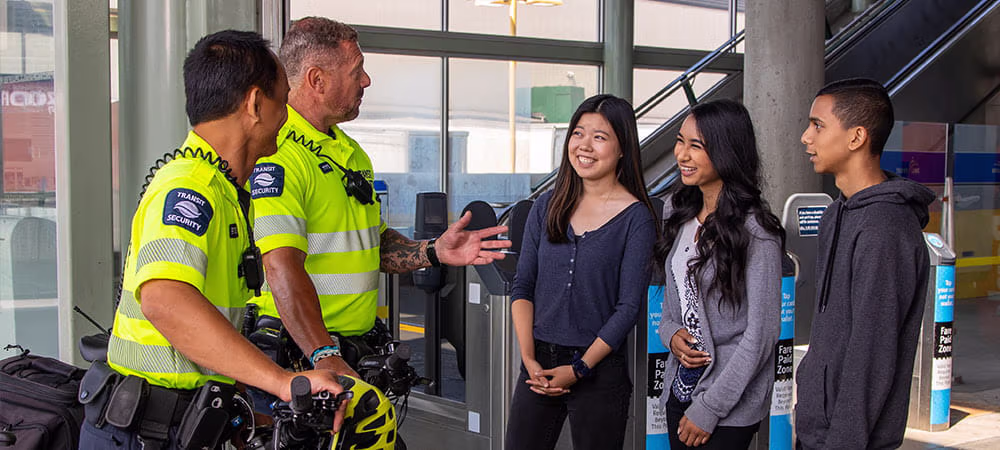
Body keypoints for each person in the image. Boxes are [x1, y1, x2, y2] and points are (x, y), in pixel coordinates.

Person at [79, 30, 346, 449]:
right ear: (256, 104)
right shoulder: (190, 188)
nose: (288, 114)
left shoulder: (223, 189)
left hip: (184, 421)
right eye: (283, 99)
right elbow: (165, 300)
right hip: (144, 432)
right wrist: (280, 381)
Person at [247, 16, 509, 384]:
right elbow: (281, 267)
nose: (366, 81)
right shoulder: (279, 154)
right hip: (305, 357)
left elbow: (372, 241)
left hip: (349, 350)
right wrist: (324, 356)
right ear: (317, 80)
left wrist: (433, 250)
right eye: (357, 71)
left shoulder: (349, 152)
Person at [504, 94, 658, 450]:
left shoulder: (637, 218)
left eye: (600, 137)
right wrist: (529, 359)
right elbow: (523, 285)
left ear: (623, 148)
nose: (584, 146)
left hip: (599, 371)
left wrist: (579, 369)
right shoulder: (547, 205)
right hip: (538, 364)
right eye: (578, 133)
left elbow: (628, 307)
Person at [795, 78, 934, 449]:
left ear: (856, 137)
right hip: (818, 430)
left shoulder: (885, 228)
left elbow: (872, 352)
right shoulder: (837, 214)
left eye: (817, 125)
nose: (806, 137)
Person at [654, 99, 784, 449]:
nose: (682, 154)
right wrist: (672, 335)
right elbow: (672, 307)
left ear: (727, 151)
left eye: (696, 146)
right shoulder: (676, 211)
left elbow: (761, 335)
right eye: (680, 141)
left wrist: (709, 408)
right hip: (679, 387)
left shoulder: (757, 231)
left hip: (728, 403)